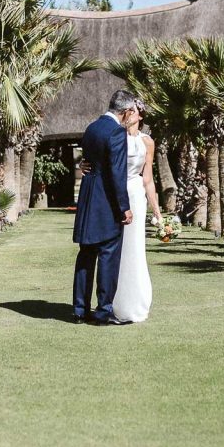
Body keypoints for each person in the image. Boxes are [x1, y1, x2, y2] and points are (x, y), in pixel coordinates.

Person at [72, 90, 139, 325]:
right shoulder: (116, 132)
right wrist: (124, 207)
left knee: (86, 254)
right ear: (127, 111)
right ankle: (103, 311)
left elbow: (89, 162)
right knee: (109, 255)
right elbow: (116, 174)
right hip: (107, 203)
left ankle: (79, 310)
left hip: (88, 198)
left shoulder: (92, 128)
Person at [111, 103, 157, 323]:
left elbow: (147, 179)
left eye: (133, 111)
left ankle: (134, 303)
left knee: (135, 248)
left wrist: (157, 211)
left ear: (140, 116)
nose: (129, 114)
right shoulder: (115, 136)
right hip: (116, 193)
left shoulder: (147, 142)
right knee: (115, 247)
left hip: (136, 195)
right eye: (127, 111)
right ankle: (112, 301)